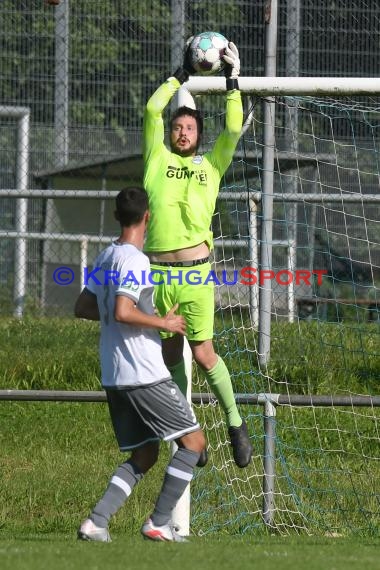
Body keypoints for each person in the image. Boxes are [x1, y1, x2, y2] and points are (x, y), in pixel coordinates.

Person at [142, 41, 253, 469]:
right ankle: (189, 431)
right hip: (159, 276)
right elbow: (153, 110)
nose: (182, 131)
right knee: (170, 357)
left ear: (198, 136)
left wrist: (231, 81)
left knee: (204, 354)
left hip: (196, 276)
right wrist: (179, 76)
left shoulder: (211, 166)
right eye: (178, 127)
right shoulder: (155, 159)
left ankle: (235, 422)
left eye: (190, 128)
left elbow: (233, 127)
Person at [74, 186, 205, 542]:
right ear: (148, 217)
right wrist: (162, 323)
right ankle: (159, 521)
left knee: (146, 452)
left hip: (115, 373)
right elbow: (123, 310)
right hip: (143, 373)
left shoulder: (105, 256)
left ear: (117, 217)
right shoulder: (135, 260)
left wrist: (131, 319)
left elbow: (84, 307)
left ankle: (97, 521)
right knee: (194, 443)